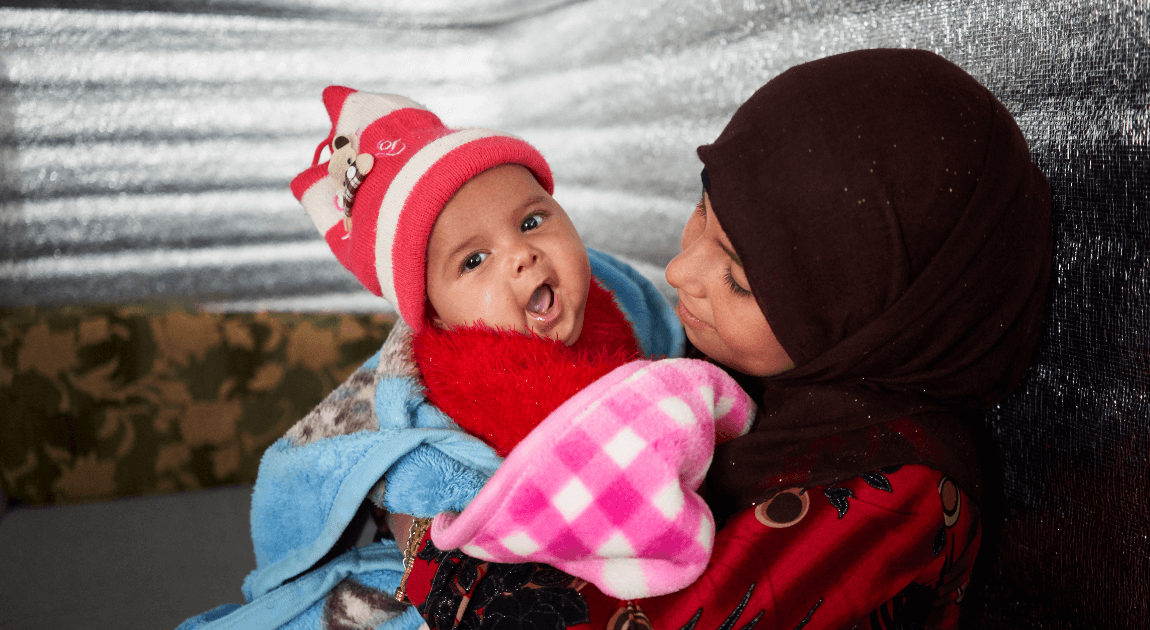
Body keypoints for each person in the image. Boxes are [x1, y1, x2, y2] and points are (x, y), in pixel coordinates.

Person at [408, 48, 1052, 630]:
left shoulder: (890, 494)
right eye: (702, 211)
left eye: (739, 280)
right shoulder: (753, 376)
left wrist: (420, 533)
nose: (679, 271)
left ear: (871, 315)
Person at [175, 87, 752, 630]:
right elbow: (586, 476)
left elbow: (661, 337)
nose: (523, 256)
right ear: (437, 314)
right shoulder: (480, 376)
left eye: (533, 221)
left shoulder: (609, 289)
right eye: (474, 262)